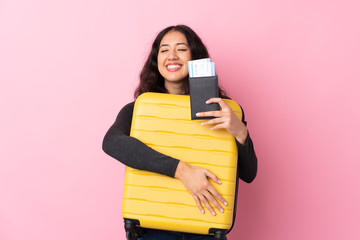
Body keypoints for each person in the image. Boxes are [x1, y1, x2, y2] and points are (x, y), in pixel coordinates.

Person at [102, 25, 257, 240]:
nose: (172, 56)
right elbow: (112, 142)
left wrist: (240, 131)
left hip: (206, 231)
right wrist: (182, 171)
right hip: (152, 231)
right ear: (156, 61)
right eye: (164, 50)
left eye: (181, 49)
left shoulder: (223, 112)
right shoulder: (139, 109)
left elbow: (249, 174)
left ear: (195, 57)